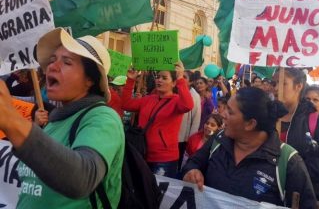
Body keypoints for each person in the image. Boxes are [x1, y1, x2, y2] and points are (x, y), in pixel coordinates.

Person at [0, 28, 125, 208]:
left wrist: (12, 121)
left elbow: (83, 178)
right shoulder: (54, 122)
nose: (52, 66)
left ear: (90, 79)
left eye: (66, 62)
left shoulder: (103, 118)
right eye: (52, 60)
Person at [182, 87, 316, 208]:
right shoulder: (219, 139)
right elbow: (193, 163)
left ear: (250, 124)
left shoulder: (288, 162)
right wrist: (192, 171)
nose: (222, 115)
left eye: (230, 111)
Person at [272, 68, 319, 206]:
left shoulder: (316, 120)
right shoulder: (266, 116)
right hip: (268, 197)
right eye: (274, 83)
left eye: (282, 83)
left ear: (298, 86)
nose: (275, 88)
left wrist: (289, 169)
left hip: (301, 199)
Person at [121, 62, 194, 178]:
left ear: (173, 83)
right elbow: (125, 104)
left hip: (164, 160)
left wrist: (180, 78)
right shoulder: (148, 99)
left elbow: (188, 106)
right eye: (158, 77)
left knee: (159, 195)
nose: (159, 80)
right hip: (142, 154)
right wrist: (130, 80)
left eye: (164, 78)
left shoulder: (176, 101)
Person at [178, 70, 201, 171]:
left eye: (184, 77)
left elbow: (196, 118)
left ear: (191, 82)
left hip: (183, 138)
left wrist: (191, 138)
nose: (181, 78)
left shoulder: (194, 96)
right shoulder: (175, 90)